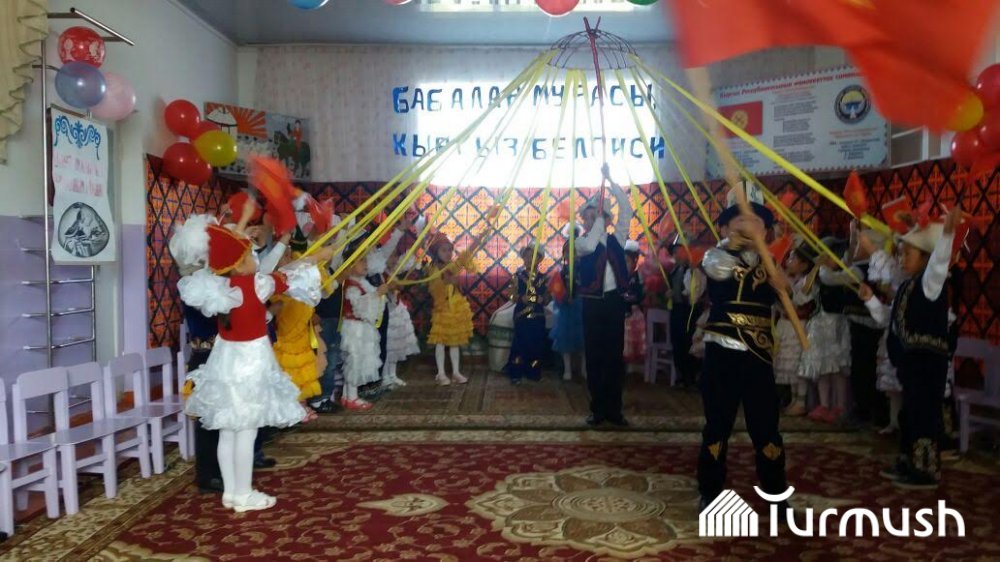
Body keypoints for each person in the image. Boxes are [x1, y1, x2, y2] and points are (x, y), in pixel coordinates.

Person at [175, 202, 333, 512]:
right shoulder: (255, 286)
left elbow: (230, 252)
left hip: (225, 363)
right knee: (246, 432)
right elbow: (288, 274)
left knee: (228, 431)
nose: (254, 259)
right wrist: (319, 256)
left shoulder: (220, 285)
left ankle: (231, 493)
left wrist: (244, 218)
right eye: (249, 256)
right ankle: (244, 494)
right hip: (250, 365)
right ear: (238, 266)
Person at [698, 183, 789, 512]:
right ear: (724, 228)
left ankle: (776, 494)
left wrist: (782, 285)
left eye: (756, 222)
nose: (749, 226)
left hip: (759, 355)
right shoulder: (716, 254)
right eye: (740, 220)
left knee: (766, 428)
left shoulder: (771, 263)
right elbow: (719, 269)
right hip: (722, 351)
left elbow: (787, 297)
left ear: (766, 230)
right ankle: (710, 492)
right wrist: (736, 248)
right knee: (718, 425)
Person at [862, 207, 961, 490]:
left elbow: (939, 263)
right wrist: (870, 300)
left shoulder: (930, 284)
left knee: (924, 416)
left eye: (908, 254)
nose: (902, 258)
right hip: (911, 364)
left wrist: (947, 235)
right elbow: (889, 320)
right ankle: (908, 461)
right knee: (910, 414)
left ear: (926, 259)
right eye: (901, 253)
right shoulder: (907, 287)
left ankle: (926, 470)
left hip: (927, 364)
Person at [576, 163, 633, 427]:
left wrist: (610, 180)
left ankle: (614, 409)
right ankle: (597, 409)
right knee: (595, 357)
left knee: (614, 357)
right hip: (592, 304)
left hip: (613, 303)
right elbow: (591, 244)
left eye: (596, 217)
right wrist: (600, 219)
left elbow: (627, 210)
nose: (592, 221)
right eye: (588, 217)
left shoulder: (617, 240)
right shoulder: (581, 243)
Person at [426, 217, 496, 385]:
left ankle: (456, 372)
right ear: (436, 252)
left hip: (456, 308)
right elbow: (434, 288)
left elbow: (469, 251)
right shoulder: (433, 269)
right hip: (442, 309)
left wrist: (482, 233)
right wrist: (446, 282)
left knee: (455, 341)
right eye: (444, 250)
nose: (448, 253)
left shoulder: (453, 266)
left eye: (450, 250)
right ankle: (441, 373)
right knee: (440, 341)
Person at [340, 233, 391, 411]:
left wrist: (378, 294)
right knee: (355, 360)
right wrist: (377, 294)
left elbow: (371, 302)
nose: (365, 263)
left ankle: (347, 395)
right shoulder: (351, 285)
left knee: (358, 359)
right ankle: (351, 396)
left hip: (362, 328)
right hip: (354, 329)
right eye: (361, 260)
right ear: (350, 265)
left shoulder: (362, 282)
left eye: (365, 259)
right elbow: (359, 307)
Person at [774, 240, 819, 415]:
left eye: (793, 258)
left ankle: (801, 401)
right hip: (787, 324)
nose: (788, 261)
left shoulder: (808, 282)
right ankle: (794, 400)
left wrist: (785, 288)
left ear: (804, 265)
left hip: (798, 326)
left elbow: (799, 299)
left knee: (798, 363)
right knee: (790, 364)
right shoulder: (796, 279)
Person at [505, 243, 549, 384]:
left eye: (533, 256)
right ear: (523, 258)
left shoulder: (544, 278)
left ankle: (533, 372)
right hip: (522, 316)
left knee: (536, 345)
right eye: (527, 256)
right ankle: (516, 373)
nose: (529, 259)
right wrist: (520, 297)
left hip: (538, 316)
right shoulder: (517, 276)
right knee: (519, 345)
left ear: (540, 259)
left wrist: (543, 299)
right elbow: (511, 295)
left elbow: (547, 298)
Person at [666, 236, 704, 388]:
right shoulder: (674, 270)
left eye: (679, 252)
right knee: (677, 343)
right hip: (677, 311)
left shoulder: (695, 271)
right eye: (675, 252)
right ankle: (681, 375)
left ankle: (690, 376)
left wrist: (684, 294)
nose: (676, 255)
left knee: (688, 342)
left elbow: (696, 293)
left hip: (689, 312)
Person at [550, 237, 586, 381]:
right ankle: (567, 369)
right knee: (565, 341)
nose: (570, 254)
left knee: (583, 341)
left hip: (581, 308)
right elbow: (556, 290)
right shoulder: (561, 272)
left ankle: (584, 369)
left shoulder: (584, 270)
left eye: (573, 251)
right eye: (567, 252)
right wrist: (563, 297)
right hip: (566, 310)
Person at [622, 240, 646, 373]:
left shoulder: (638, 276)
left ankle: (632, 363)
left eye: (627, 261)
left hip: (635, 312)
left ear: (635, 261)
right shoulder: (620, 277)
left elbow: (640, 294)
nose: (625, 264)